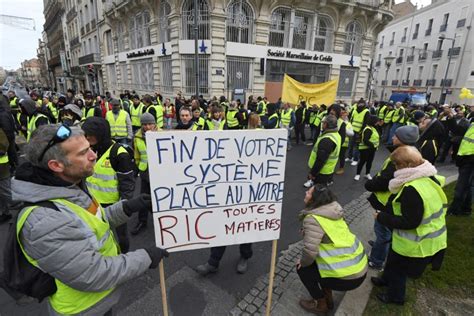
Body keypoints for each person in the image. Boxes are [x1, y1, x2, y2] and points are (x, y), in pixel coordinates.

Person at [12, 124, 168, 315]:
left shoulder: (71, 186)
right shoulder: (44, 221)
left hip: (99, 303)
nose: (93, 155)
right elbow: (93, 274)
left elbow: (93, 224)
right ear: (56, 165)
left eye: (90, 148)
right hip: (83, 309)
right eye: (83, 152)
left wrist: (127, 207)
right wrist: (146, 257)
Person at [371, 146, 447, 305]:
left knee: (399, 270)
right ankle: (386, 279)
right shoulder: (428, 177)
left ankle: (395, 297)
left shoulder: (411, 189)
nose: (395, 168)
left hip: (416, 242)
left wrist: (382, 217)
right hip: (419, 236)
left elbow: (410, 222)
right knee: (392, 260)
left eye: (397, 165)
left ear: (408, 166)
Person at [297, 184, 367, 314]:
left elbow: (309, 252)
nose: (306, 192)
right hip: (359, 269)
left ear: (314, 200)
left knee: (302, 269)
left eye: (309, 192)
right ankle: (328, 297)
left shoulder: (313, 218)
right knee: (317, 266)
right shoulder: (334, 211)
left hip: (349, 277)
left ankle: (320, 304)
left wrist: (302, 262)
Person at [365, 125, 420, 270]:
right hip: (388, 200)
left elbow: (385, 180)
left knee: (383, 232)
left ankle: (376, 260)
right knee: (383, 232)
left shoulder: (401, 157)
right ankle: (379, 246)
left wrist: (369, 184)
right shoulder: (408, 153)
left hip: (387, 202)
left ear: (403, 140)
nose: (393, 137)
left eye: (396, 136)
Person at [82, 117, 136, 253]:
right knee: (98, 233)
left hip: (114, 205)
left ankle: (124, 257)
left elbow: (128, 184)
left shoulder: (119, 153)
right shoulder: (91, 150)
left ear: (101, 134)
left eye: (90, 135)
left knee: (121, 235)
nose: (86, 138)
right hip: (93, 203)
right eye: (85, 134)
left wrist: (124, 206)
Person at [132, 113, 158, 235]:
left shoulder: (162, 134)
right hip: (145, 172)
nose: (147, 127)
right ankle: (142, 221)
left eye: (150, 124)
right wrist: (139, 167)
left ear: (154, 124)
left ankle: (163, 222)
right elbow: (137, 154)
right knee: (143, 197)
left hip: (159, 172)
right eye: (144, 124)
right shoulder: (137, 137)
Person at [304, 115, 341, 188]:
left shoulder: (327, 139)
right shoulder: (336, 134)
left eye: (323, 123)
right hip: (328, 170)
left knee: (318, 194)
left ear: (326, 124)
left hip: (321, 172)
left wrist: (313, 173)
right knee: (321, 192)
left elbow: (320, 160)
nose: (322, 124)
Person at [447, 123, 473, 216]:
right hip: (465, 159)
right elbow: (459, 130)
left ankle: (455, 210)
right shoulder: (472, 124)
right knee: (467, 186)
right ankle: (466, 209)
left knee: (461, 187)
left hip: (470, 160)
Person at [355, 115, 380, 181]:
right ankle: (357, 174)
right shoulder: (368, 129)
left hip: (372, 149)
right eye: (377, 121)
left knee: (369, 162)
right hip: (365, 149)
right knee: (362, 162)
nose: (378, 123)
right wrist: (373, 146)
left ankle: (367, 173)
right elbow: (365, 140)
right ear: (373, 121)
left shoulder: (373, 128)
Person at [347, 100, 369, 166]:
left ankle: (355, 159)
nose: (360, 105)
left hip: (359, 132)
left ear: (364, 104)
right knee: (350, 144)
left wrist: (361, 131)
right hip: (352, 130)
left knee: (356, 146)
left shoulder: (366, 111)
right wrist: (349, 127)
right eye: (359, 103)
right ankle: (349, 157)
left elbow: (365, 122)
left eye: (362, 103)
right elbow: (351, 119)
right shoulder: (354, 110)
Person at [0, 126, 12, 223]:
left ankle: (25, 204)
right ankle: (5, 213)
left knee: (6, 192)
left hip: (1, 168)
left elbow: (4, 146)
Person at [336, 109, 353, 175]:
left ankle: (341, 168)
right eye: (343, 115)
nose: (344, 116)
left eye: (345, 115)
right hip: (337, 141)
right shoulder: (338, 121)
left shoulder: (348, 124)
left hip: (344, 143)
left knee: (342, 156)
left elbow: (352, 133)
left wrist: (344, 130)